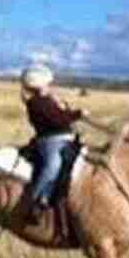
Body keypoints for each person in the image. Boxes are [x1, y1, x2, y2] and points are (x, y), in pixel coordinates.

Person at [20, 64, 88, 221]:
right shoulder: (36, 103)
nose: (50, 86)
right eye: (47, 83)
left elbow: (62, 114)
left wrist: (70, 111)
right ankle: (34, 201)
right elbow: (58, 119)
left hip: (66, 138)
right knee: (53, 166)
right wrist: (77, 114)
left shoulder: (47, 100)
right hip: (50, 141)